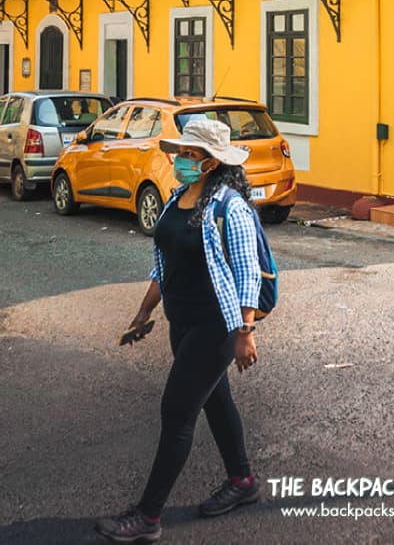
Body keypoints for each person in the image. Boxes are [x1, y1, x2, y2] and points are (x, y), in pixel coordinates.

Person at [95, 117, 262, 544]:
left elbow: (248, 275)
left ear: (210, 162)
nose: (181, 160)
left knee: (177, 413)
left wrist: (246, 332)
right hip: (182, 322)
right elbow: (164, 263)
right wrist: (144, 310)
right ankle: (243, 480)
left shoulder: (230, 207)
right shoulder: (175, 199)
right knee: (215, 401)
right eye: (181, 152)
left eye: (190, 154)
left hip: (217, 327)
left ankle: (149, 516)